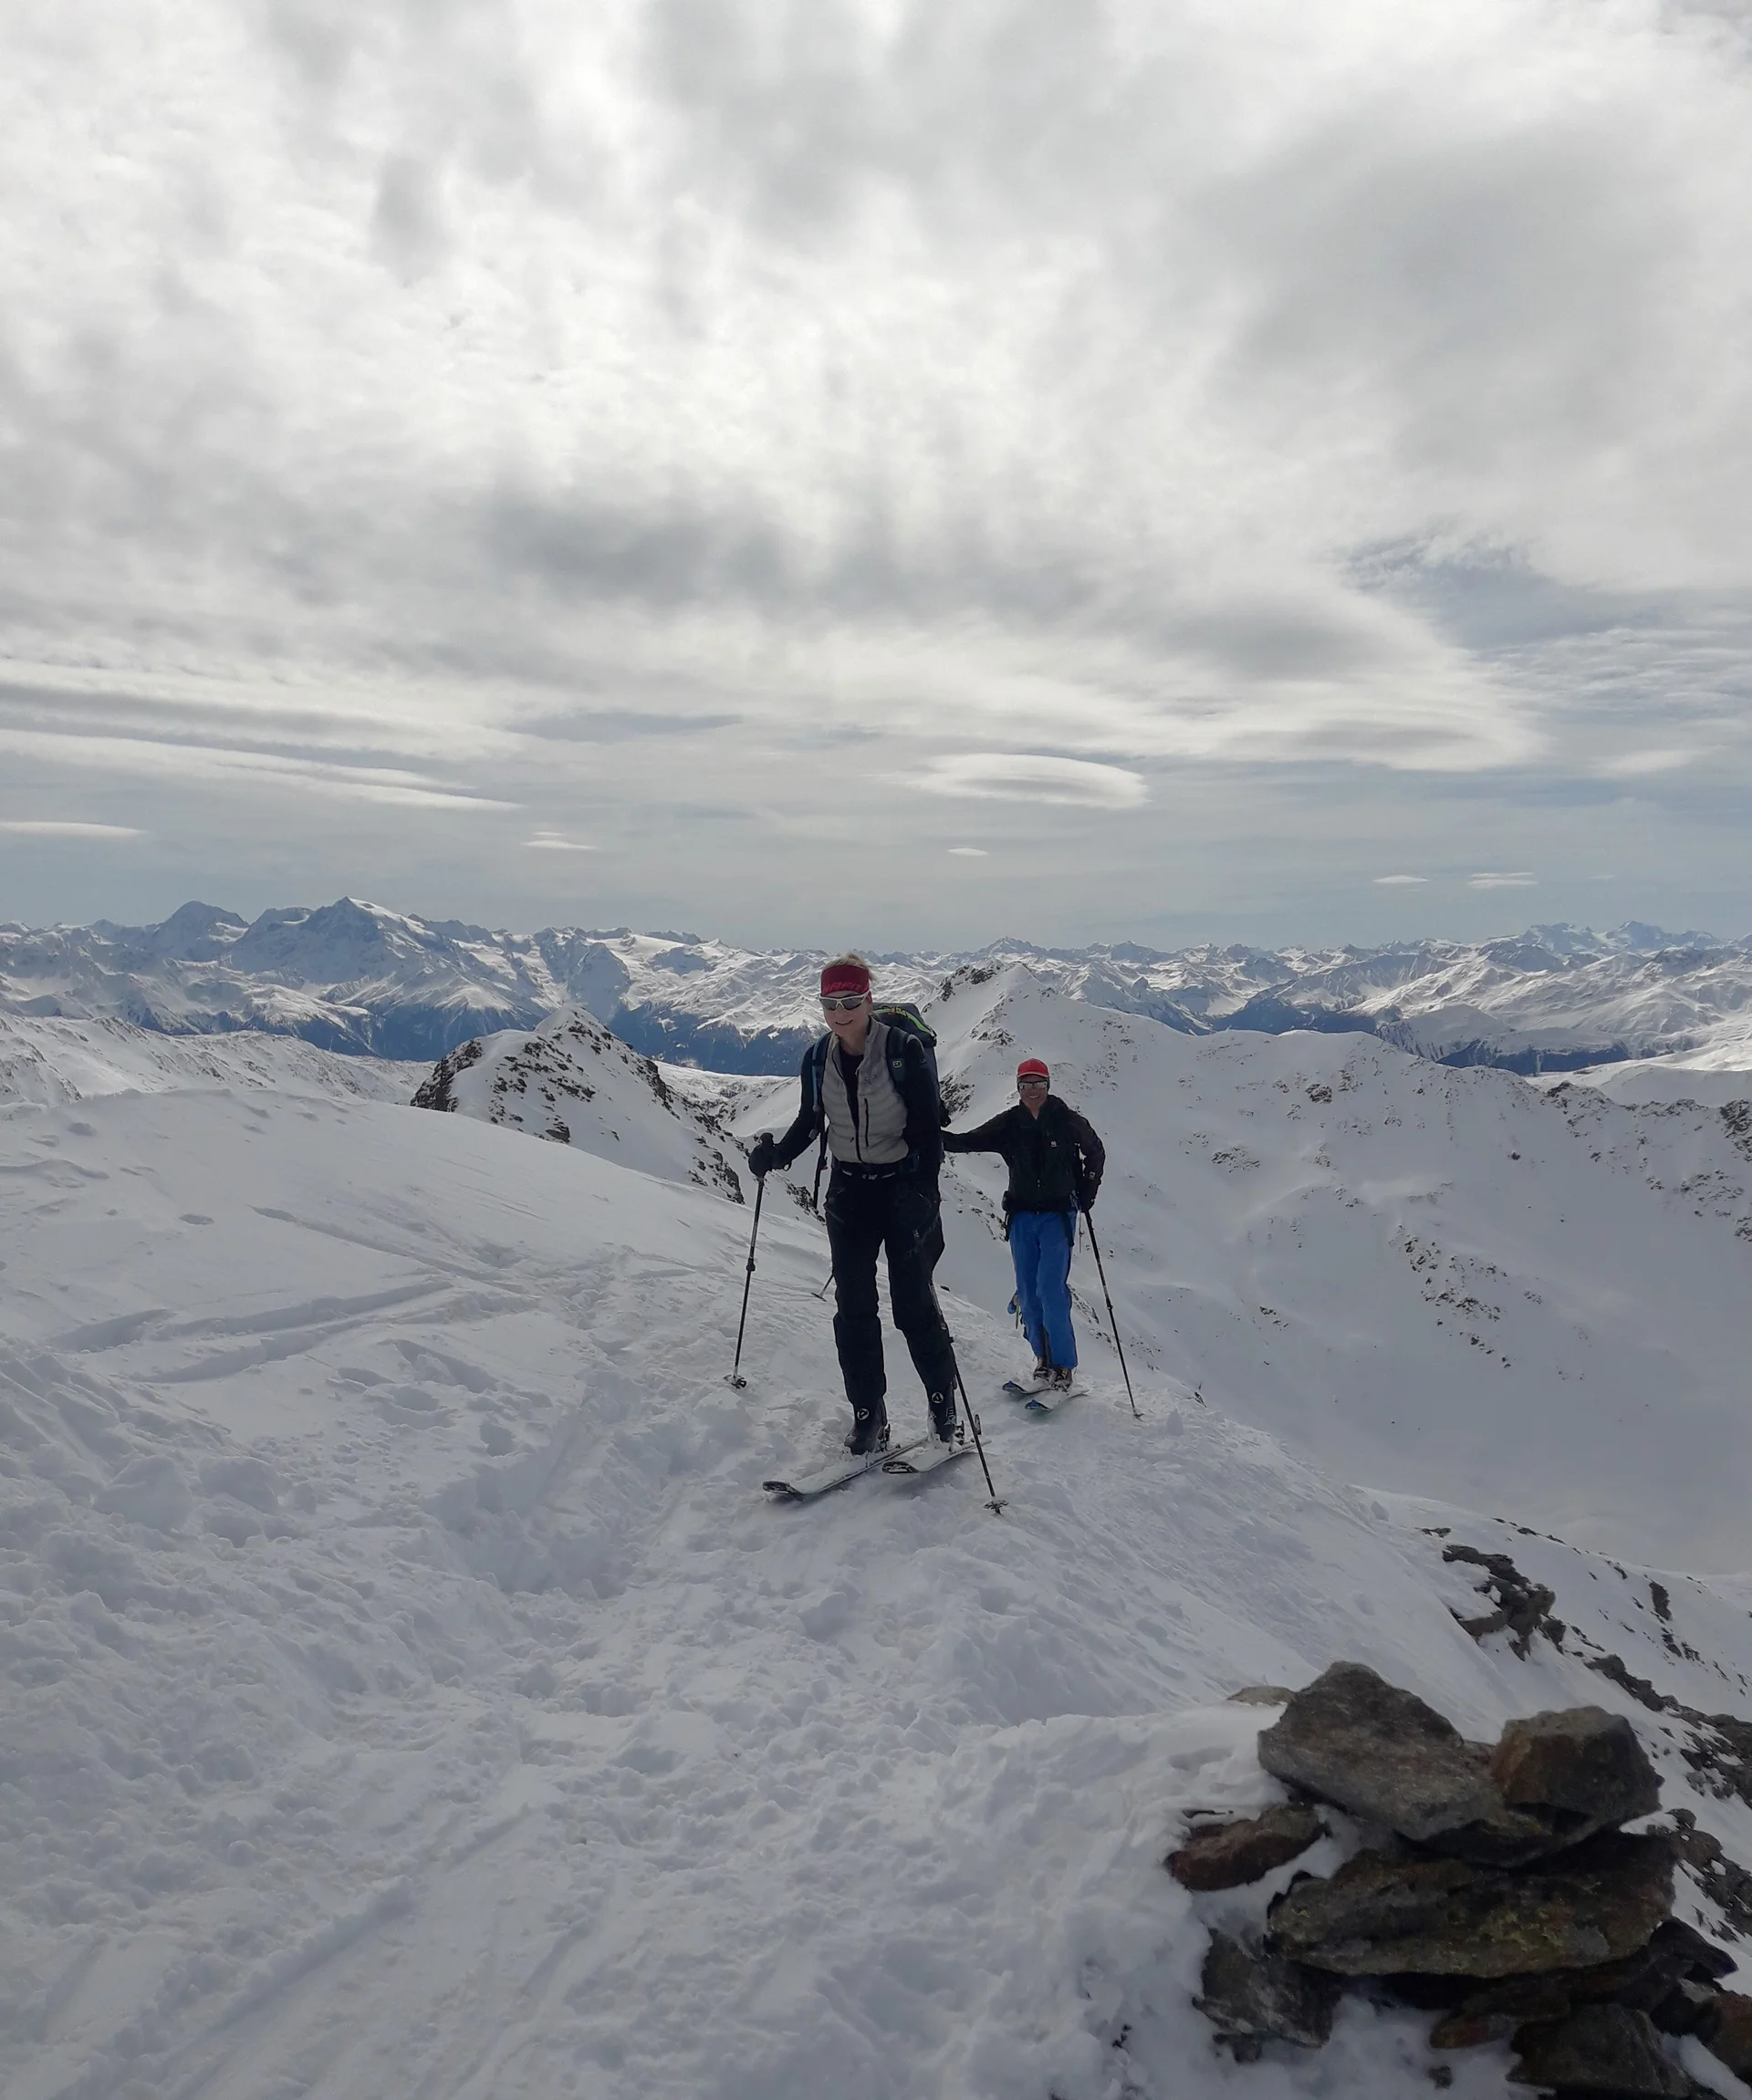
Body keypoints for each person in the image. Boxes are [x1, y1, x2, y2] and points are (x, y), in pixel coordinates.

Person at [746, 955, 960, 1454]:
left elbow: (929, 1131)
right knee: (855, 1309)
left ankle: (942, 1405)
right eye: (830, 1004)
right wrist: (776, 1155)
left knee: (913, 1308)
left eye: (849, 1001)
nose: (840, 1013)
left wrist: (924, 1195)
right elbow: (810, 1121)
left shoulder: (903, 1051)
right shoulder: (818, 1058)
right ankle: (868, 1414)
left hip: (902, 1188)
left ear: (868, 999)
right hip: (849, 1192)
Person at [944, 1057, 1105, 1392]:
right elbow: (966, 1141)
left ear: (1048, 1085)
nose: (1033, 1090)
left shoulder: (1067, 1120)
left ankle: (1063, 1366)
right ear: (1017, 1089)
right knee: (1029, 1294)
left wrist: (1086, 1193)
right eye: (1026, 1085)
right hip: (1020, 1217)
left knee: (1050, 1289)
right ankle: (1042, 1363)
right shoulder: (1010, 1124)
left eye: (1038, 1084)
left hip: (1057, 1216)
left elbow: (1095, 1152)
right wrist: (926, 1132)